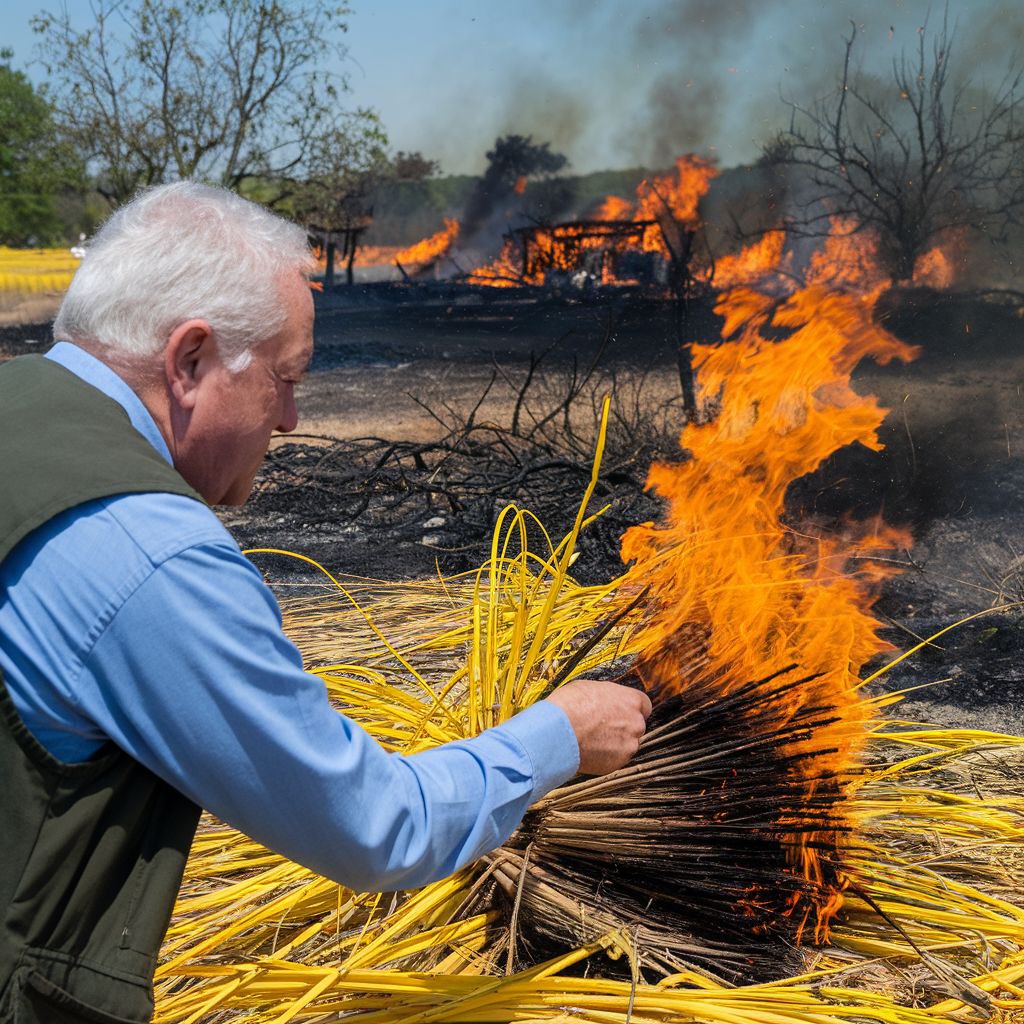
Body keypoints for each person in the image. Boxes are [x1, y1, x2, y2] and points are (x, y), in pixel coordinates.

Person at [0, 182, 651, 1024]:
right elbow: (373, 825)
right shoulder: (152, 559)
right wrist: (561, 733)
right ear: (191, 360)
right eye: (286, 379)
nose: (295, 419)